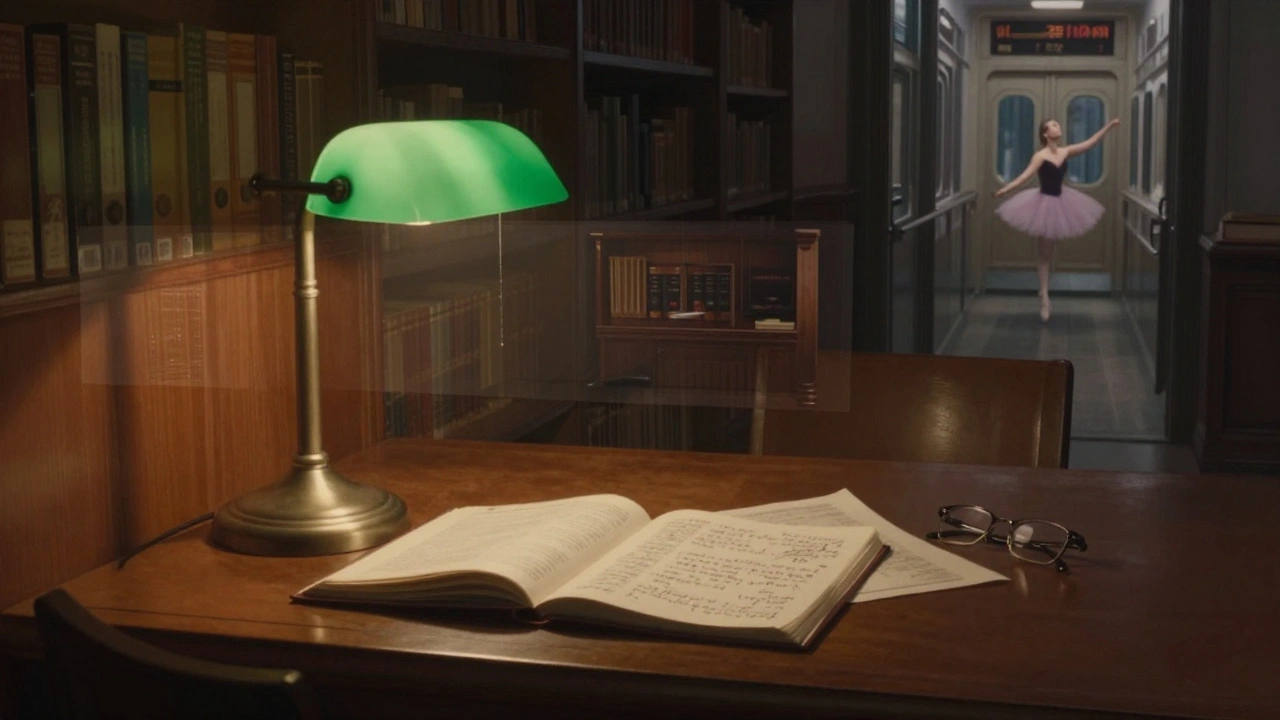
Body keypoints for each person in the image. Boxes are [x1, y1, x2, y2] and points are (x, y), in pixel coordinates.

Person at [993, 117, 1121, 321]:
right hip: (1044, 205)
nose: (1058, 126)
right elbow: (1025, 176)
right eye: (1053, 125)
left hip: (1062, 203)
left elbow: (1090, 143)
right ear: (1045, 134)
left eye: (1058, 124)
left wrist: (1108, 127)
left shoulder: (1065, 151)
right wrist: (1006, 188)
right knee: (1044, 254)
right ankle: (1044, 297)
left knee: (1050, 251)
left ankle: (1043, 290)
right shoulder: (1040, 156)